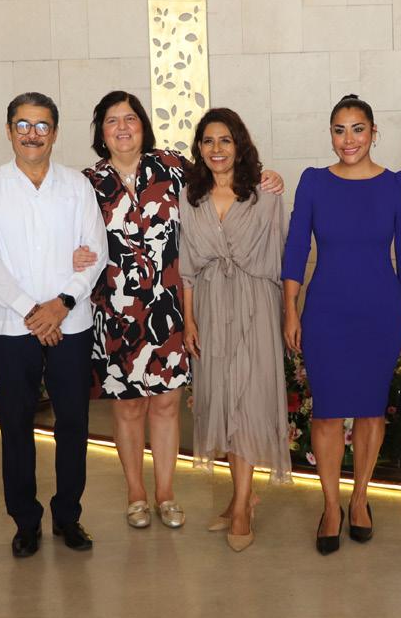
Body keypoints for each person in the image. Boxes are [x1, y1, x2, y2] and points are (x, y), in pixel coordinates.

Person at [75, 91, 283, 531]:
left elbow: (223, 172)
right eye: (112, 120)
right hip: (116, 311)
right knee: (128, 408)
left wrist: (268, 178)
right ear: (101, 131)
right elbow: (69, 233)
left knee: (167, 405)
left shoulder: (171, 168)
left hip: (170, 308)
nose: (122, 127)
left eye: (130, 118)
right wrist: (71, 255)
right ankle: (136, 494)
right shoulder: (87, 183)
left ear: (143, 125)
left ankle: (166, 494)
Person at [0, 92, 108, 558]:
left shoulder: (76, 185)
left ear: (55, 132)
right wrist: (33, 311)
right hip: (13, 326)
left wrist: (62, 304)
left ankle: (68, 515)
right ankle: (25, 521)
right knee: (15, 424)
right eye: (23, 125)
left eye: (42, 125)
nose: (33, 134)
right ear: (9, 131)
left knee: (73, 421)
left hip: (71, 321)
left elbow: (96, 251)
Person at [282, 94, 401, 555]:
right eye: (339, 130)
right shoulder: (314, 182)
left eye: (358, 129)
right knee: (325, 412)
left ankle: (360, 498)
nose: (349, 139)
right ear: (330, 134)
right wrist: (290, 309)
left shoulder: (396, 184)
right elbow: (296, 246)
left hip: (381, 311)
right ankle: (330, 506)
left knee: (370, 410)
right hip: (326, 311)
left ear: (374, 132)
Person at [179, 108, 292, 552]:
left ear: (239, 144)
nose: (217, 149)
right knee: (223, 400)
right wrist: (189, 320)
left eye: (225, 140)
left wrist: (287, 312)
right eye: (208, 141)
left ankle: (243, 507)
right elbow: (187, 268)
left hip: (254, 306)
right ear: (199, 148)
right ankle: (241, 495)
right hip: (209, 307)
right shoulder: (191, 197)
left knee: (246, 400)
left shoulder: (265, 194)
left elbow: (283, 256)